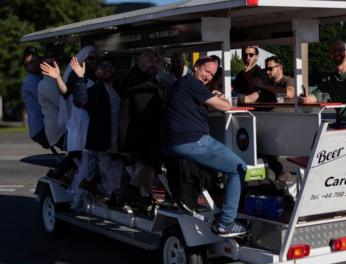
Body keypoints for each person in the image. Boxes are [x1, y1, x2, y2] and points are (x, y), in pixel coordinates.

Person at [163, 57, 247, 237]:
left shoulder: (181, 84)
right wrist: (220, 98)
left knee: (221, 169)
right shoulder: (192, 83)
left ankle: (217, 207)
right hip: (192, 141)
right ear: (195, 67)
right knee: (238, 168)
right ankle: (226, 223)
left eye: (212, 74)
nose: (208, 77)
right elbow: (225, 107)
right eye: (207, 71)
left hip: (174, 143)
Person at [69, 56, 123, 199]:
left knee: (116, 172)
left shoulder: (119, 88)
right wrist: (80, 78)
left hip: (118, 139)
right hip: (102, 140)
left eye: (110, 66)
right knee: (107, 173)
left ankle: (112, 196)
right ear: (97, 72)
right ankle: (108, 197)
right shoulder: (94, 91)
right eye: (102, 67)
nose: (107, 70)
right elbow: (80, 102)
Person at [118, 49, 168, 205]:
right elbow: (148, 108)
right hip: (135, 136)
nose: (154, 63)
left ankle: (146, 196)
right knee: (155, 159)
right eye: (150, 59)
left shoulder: (149, 79)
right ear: (139, 61)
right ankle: (132, 190)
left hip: (143, 134)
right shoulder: (137, 81)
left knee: (151, 164)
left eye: (157, 61)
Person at [22, 53, 49, 149]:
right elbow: (46, 98)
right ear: (26, 67)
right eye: (31, 62)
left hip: (40, 127)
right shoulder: (31, 80)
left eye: (37, 60)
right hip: (42, 128)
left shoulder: (39, 78)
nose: (36, 63)